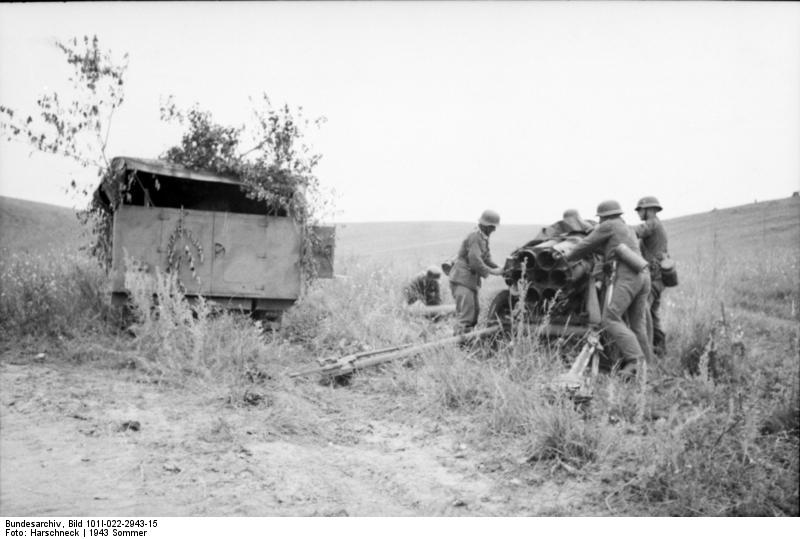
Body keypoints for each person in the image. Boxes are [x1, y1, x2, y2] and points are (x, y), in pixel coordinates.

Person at [563, 200, 652, 376]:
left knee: (610, 318)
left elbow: (584, 245)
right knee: (637, 325)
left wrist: (568, 256)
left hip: (627, 277)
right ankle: (649, 368)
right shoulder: (626, 228)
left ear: (603, 217)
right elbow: (607, 249)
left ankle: (635, 361)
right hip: (643, 275)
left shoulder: (609, 225)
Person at [448, 209, 504, 334]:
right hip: (462, 279)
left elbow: (487, 258)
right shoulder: (475, 237)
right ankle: (459, 345)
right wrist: (495, 272)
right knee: (466, 316)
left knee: (474, 313)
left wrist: (501, 268)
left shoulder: (483, 237)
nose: (494, 230)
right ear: (487, 226)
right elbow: (475, 261)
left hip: (469, 281)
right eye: (493, 227)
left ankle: (466, 342)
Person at [633, 196, 669, 356]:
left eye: (640, 209)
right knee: (652, 313)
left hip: (655, 277)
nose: (638, 213)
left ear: (649, 210)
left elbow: (635, 232)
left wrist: (616, 228)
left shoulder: (653, 223)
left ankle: (645, 352)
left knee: (643, 311)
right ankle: (660, 349)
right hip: (659, 277)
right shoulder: (656, 224)